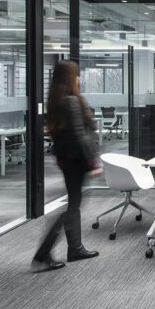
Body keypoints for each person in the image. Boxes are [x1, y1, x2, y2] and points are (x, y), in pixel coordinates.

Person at [33, 60, 100, 271]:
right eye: (77, 74)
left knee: (74, 204)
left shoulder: (56, 100)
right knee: (72, 207)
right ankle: (43, 253)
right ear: (71, 77)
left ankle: (75, 248)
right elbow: (80, 135)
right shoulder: (71, 101)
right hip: (77, 160)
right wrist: (91, 163)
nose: (79, 77)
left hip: (67, 159)